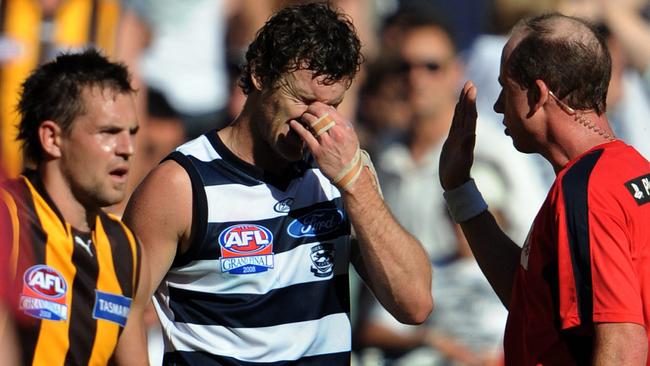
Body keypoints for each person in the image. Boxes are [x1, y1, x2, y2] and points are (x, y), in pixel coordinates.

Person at [123, 3, 432, 365]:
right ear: (258, 74)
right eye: (302, 100)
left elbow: (414, 304)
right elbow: (121, 309)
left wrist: (356, 185)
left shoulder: (342, 178)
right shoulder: (181, 184)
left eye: (331, 105)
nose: (314, 120)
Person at [440, 13, 650, 365]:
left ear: (537, 95)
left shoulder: (587, 190)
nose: (497, 106)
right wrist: (460, 190)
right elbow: (536, 303)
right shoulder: (631, 168)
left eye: (506, 89)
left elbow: (624, 341)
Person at [0, 49, 149, 365]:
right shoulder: (8, 221)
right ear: (52, 138)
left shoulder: (126, 250)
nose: (128, 149)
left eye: (131, 133)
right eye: (109, 132)